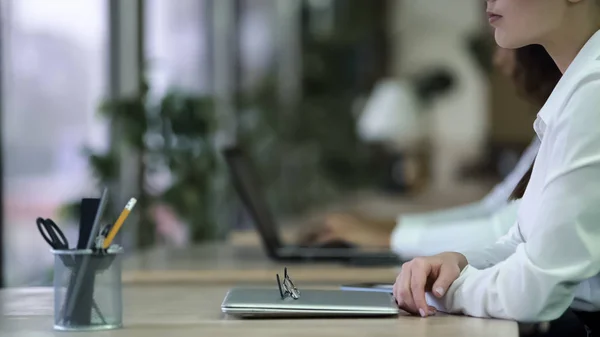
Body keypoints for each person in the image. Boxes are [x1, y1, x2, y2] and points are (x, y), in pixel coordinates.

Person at [392, 1, 600, 335]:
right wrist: (460, 261)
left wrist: (447, 289)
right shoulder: (579, 90)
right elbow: (524, 240)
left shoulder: (594, 93)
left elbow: (535, 289)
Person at [306, 45, 560, 259]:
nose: (498, 59)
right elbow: (494, 210)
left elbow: (506, 231)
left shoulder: (574, 114)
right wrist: (386, 229)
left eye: (504, 44)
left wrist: (387, 238)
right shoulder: (548, 124)